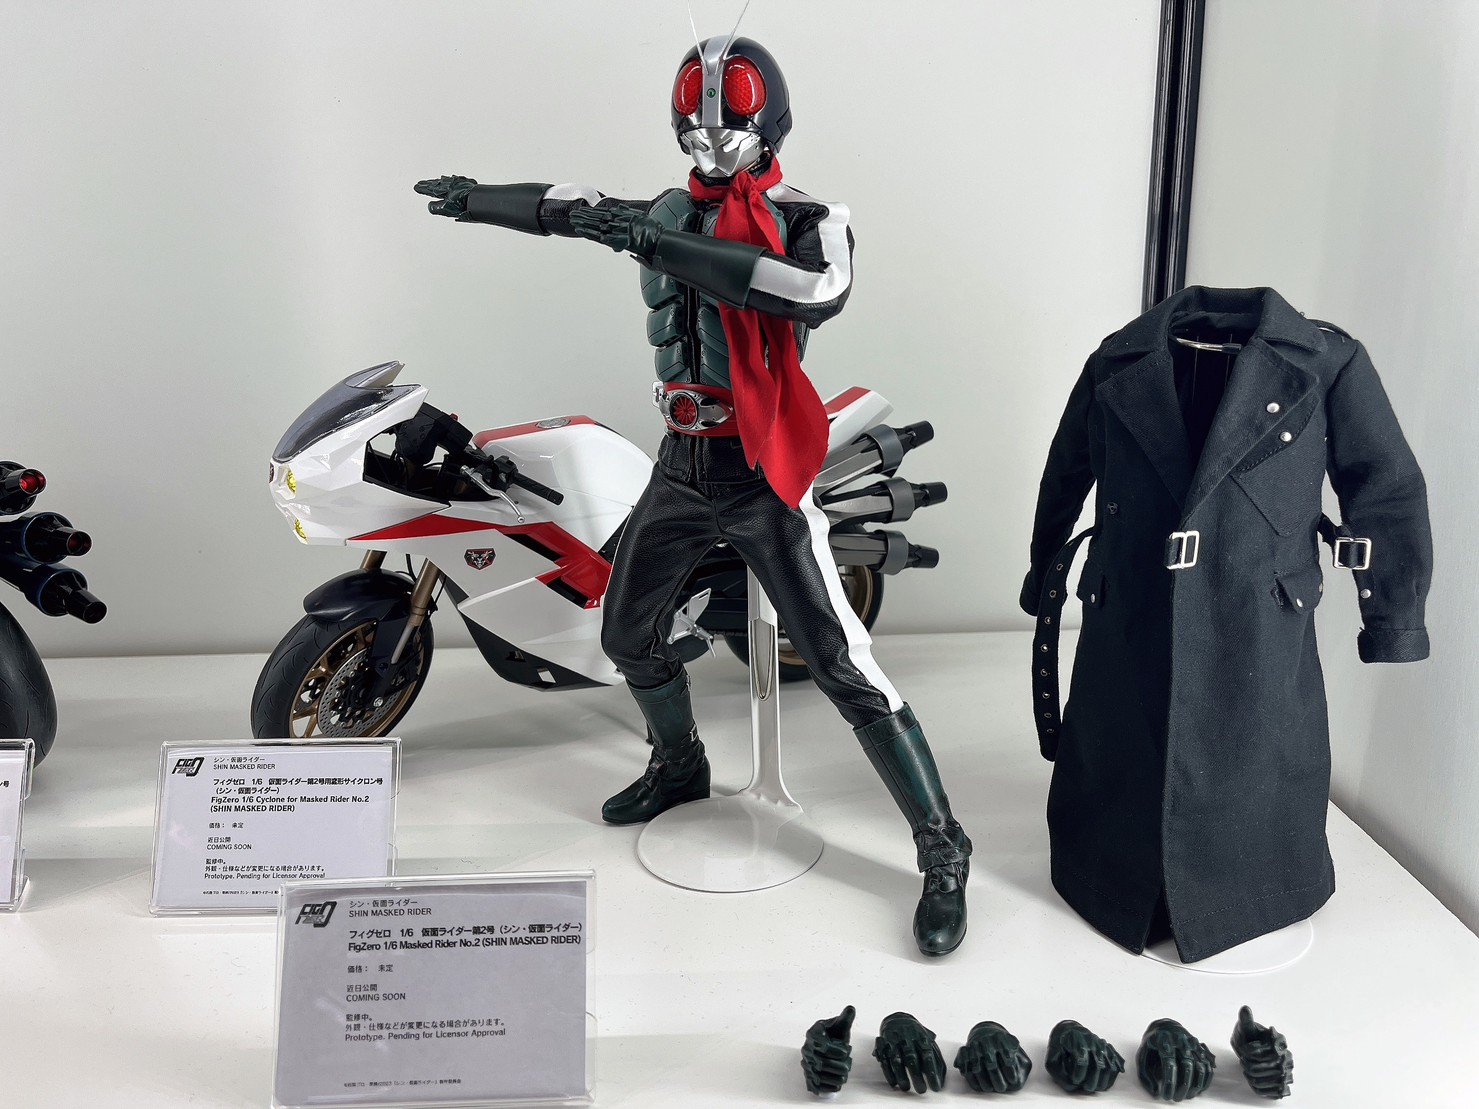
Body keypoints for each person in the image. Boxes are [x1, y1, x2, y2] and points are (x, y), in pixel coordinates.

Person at [415, 33, 970, 956]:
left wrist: (659, 243)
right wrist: (478, 201)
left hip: (763, 473)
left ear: (771, 123)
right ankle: (680, 766)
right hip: (680, 464)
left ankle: (942, 848)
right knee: (625, 634)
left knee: (843, 667)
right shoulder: (667, 207)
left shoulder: (808, 217)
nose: (712, 143)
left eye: (731, 126)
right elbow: (566, 208)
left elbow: (812, 290)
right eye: (697, 127)